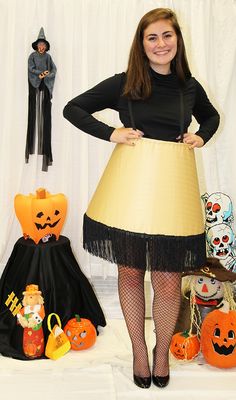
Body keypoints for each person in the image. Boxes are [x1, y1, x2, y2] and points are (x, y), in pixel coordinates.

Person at [63, 8, 220, 389]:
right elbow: (74, 108)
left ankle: (160, 352)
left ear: (177, 40)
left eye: (167, 35)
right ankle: (138, 350)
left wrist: (200, 137)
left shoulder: (189, 87)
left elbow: (211, 118)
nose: (161, 43)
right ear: (142, 44)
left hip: (172, 193)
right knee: (131, 273)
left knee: (167, 281)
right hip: (129, 191)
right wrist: (112, 133)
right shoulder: (125, 84)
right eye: (152, 37)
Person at [26, 28, 57, 171]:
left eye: (43, 45)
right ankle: (30, 147)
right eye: (40, 44)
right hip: (35, 83)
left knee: (45, 113)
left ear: (46, 46)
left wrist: (47, 74)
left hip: (45, 85)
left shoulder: (48, 58)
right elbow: (30, 68)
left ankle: (46, 150)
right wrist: (40, 73)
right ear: (37, 45)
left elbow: (53, 70)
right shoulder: (32, 56)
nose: (42, 47)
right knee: (32, 110)